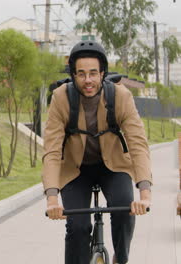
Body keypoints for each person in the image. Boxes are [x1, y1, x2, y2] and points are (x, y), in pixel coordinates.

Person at [42, 41, 152, 264]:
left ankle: (120, 259)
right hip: (75, 170)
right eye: (81, 74)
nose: (88, 80)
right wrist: (52, 200)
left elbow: (138, 144)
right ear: (73, 75)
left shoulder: (120, 96)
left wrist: (145, 194)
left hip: (113, 167)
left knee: (124, 210)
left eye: (93, 73)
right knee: (78, 226)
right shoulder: (61, 98)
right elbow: (52, 149)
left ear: (103, 73)